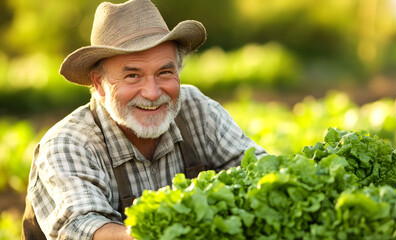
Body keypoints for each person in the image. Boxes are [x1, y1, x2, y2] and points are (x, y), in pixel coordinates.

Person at [24, 0, 266, 239]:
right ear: (99, 84)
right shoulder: (68, 144)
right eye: (132, 75)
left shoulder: (196, 108)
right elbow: (83, 228)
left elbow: (257, 169)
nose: (152, 93)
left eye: (164, 72)